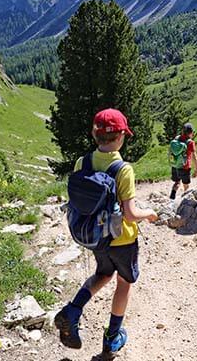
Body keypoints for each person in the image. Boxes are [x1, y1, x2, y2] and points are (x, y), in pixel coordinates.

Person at [55, 108, 158, 358]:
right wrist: (150, 213)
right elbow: (131, 213)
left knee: (103, 273)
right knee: (124, 283)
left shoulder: (83, 162)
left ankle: (73, 309)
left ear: (94, 133)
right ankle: (112, 338)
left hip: (97, 237)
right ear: (121, 136)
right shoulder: (123, 169)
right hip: (122, 239)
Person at [168, 122, 197, 199]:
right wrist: (196, 169)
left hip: (175, 165)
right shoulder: (190, 142)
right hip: (184, 167)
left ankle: (172, 195)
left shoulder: (177, 138)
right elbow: (194, 157)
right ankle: (185, 200)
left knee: (177, 182)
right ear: (191, 132)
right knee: (186, 185)